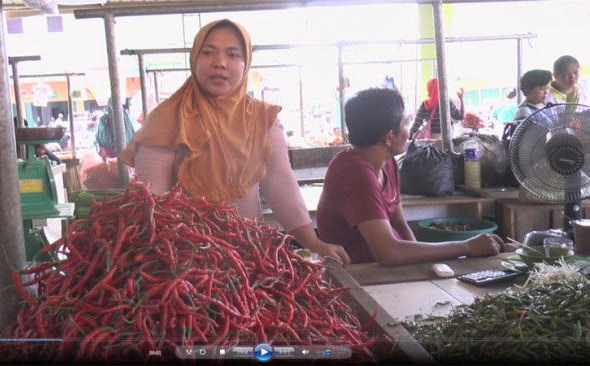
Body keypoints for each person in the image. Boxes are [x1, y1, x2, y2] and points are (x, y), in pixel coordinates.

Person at [118, 19, 350, 265]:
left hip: (248, 259)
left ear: (246, 63)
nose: (220, 62)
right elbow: (151, 201)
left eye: (233, 54)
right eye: (208, 52)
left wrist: (312, 242)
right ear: (195, 59)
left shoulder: (263, 119)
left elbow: (279, 182)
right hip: (183, 263)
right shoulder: (165, 120)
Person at [316, 88, 504, 266]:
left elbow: (399, 224)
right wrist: (467, 246)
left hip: (383, 270)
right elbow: (389, 253)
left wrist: (423, 266)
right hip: (359, 276)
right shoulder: (356, 174)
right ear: (389, 137)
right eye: (406, 123)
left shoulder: (387, 163)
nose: (409, 130)